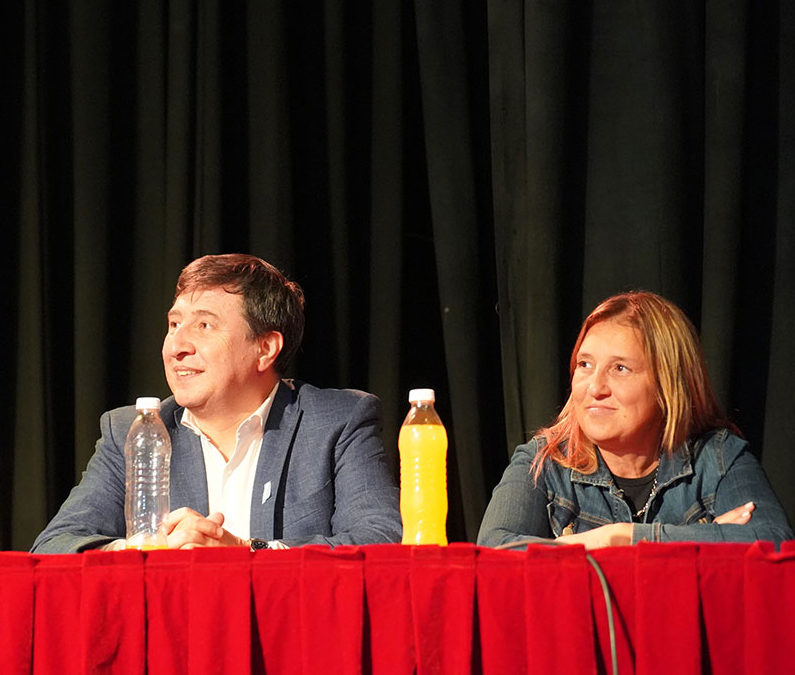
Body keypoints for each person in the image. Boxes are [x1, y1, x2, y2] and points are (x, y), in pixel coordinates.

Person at [32, 253, 402, 553]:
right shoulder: (133, 430)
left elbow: (382, 540)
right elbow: (54, 546)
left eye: (204, 326)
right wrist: (144, 549)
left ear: (265, 348)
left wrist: (246, 551)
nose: (177, 347)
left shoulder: (337, 421)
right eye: (174, 325)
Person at [478, 290, 792, 549]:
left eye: (620, 368)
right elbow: (496, 552)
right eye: (585, 364)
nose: (595, 388)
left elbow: (774, 542)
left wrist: (621, 537)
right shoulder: (544, 461)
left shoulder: (717, 457)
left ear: (668, 385)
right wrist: (697, 540)